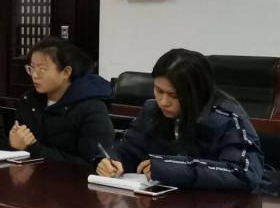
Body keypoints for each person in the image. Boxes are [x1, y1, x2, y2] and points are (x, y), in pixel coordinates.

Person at [97, 48, 264, 192]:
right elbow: (129, 149)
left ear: (197, 93)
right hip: (166, 206)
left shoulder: (228, 118)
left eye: (174, 95)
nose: (163, 102)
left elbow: (245, 173)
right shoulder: (152, 110)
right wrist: (111, 160)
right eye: (158, 90)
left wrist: (170, 167)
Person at [0, 37, 114, 165]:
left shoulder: (91, 108)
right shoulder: (29, 101)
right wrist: (12, 144)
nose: (34, 75)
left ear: (66, 72)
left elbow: (92, 163)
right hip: (28, 174)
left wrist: (32, 147)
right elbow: (14, 147)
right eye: (31, 68)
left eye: (42, 69)